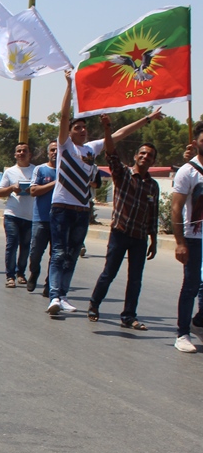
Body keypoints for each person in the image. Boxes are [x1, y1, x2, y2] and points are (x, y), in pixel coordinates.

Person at [47, 70, 160, 315]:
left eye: (84, 128)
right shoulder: (65, 146)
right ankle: (54, 296)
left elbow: (119, 135)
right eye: (77, 128)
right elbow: (65, 114)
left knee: (73, 254)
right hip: (61, 207)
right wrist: (69, 86)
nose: (82, 131)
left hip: (81, 210)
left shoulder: (91, 149)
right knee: (58, 252)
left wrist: (147, 118)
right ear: (70, 130)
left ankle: (63, 295)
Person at [86, 115, 159, 329]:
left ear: (153, 161)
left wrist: (153, 240)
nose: (146, 157)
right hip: (120, 233)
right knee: (109, 273)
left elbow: (152, 214)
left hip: (139, 237)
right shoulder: (123, 175)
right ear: (136, 156)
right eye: (142, 153)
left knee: (135, 279)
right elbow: (110, 152)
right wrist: (107, 129)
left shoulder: (153, 186)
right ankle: (94, 304)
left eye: (150, 155)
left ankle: (128, 316)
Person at [169, 121, 203, 352]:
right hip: (194, 237)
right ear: (196, 142)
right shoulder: (187, 171)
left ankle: (199, 321)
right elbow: (175, 208)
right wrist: (180, 242)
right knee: (191, 285)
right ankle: (182, 333)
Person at [0, 143, 35, 287]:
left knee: (25, 246)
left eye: (24, 151)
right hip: (12, 214)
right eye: (18, 151)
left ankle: (21, 273)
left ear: (29, 154)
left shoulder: (36, 170)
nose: (21, 153)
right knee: (11, 245)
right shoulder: (10, 172)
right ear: (15, 155)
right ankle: (10, 276)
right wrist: (12, 188)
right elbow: (1, 192)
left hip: (30, 216)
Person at [27, 141, 57, 295]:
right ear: (47, 152)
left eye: (58, 150)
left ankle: (49, 284)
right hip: (41, 219)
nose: (55, 152)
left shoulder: (66, 171)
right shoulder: (40, 170)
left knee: (56, 255)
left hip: (59, 221)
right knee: (35, 252)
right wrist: (54, 184)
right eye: (52, 150)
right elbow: (33, 191)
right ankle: (34, 272)